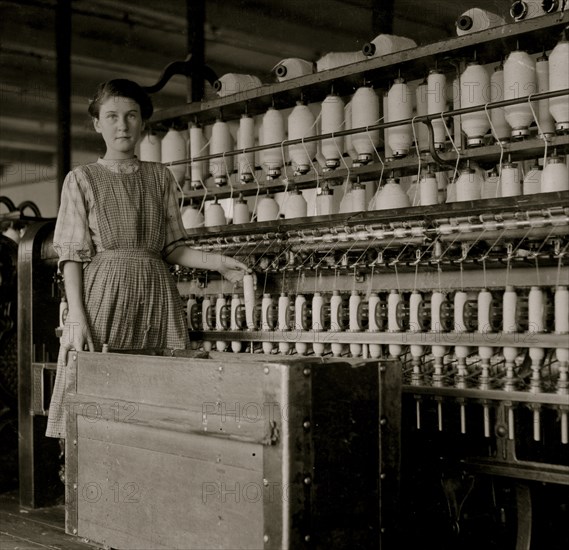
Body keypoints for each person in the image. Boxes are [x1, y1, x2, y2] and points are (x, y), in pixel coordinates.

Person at [46, 79, 248, 438]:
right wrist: (76, 316)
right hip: (104, 297)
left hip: (157, 295)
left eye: (131, 116)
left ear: (142, 123)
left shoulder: (161, 177)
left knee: (161, 398)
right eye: (111, 116)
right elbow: (72, 256)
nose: (122, 125)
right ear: (97, 124)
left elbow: (173, 248)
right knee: (99, 392)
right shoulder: (81, 179)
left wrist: (217, 261)